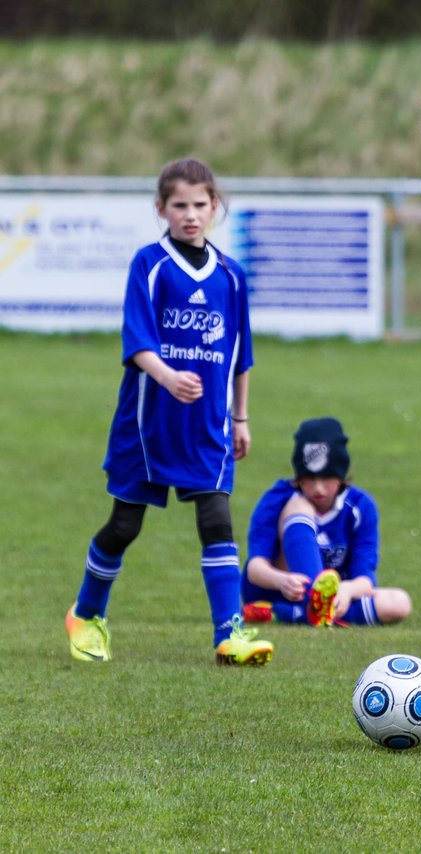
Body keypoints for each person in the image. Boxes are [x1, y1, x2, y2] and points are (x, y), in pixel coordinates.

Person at [64, 157, 273, 666]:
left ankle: (230, 635)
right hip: (146, 425)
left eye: (200, 204)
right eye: (178, 205)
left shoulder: (231, 275)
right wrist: (168, 377)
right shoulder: (149, 265)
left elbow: (240, 355)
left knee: (216, 519)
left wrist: (241, 417)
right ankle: (87, 615)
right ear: (161, 208)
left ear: (215, 207)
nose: (190, 214)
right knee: (124, 527)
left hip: (207, 426)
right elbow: (137, 341)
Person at [240, 417, 412, 627]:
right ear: (298, 477)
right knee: (298, 507)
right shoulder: (278, 499)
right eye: (309, 479)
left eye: (326, 478)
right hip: (277, 589)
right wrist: (282, 581)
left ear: (340, 477)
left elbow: (365, 579)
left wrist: (346, 591)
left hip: (334, 595)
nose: (318, 488)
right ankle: (313, 604)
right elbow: (254, 569)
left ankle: (285, 613)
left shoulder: (361, 506)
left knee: (399, 603)